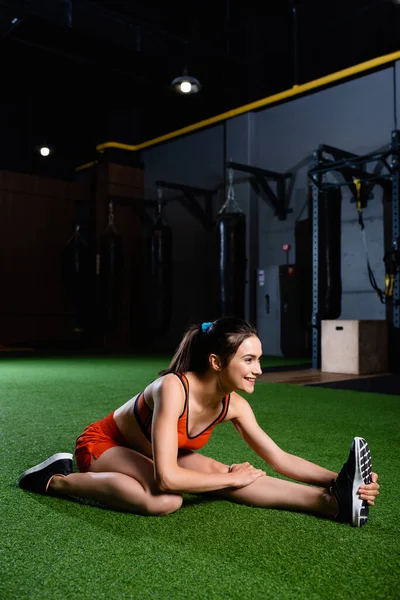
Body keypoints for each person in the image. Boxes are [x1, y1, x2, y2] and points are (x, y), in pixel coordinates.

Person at [18, 317, 379, 526]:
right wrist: (231, 477)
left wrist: (341, 480)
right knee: (165, 501)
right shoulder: (173, 389)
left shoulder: (232, 405)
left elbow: (279, 458)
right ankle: (58, 479)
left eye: (259, 360)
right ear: (217, 362)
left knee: (223, 477)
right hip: (106, 447)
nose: (259, 370)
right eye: (249, 360)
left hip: (161, 453)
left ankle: (330, 504)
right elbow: (167, 478)